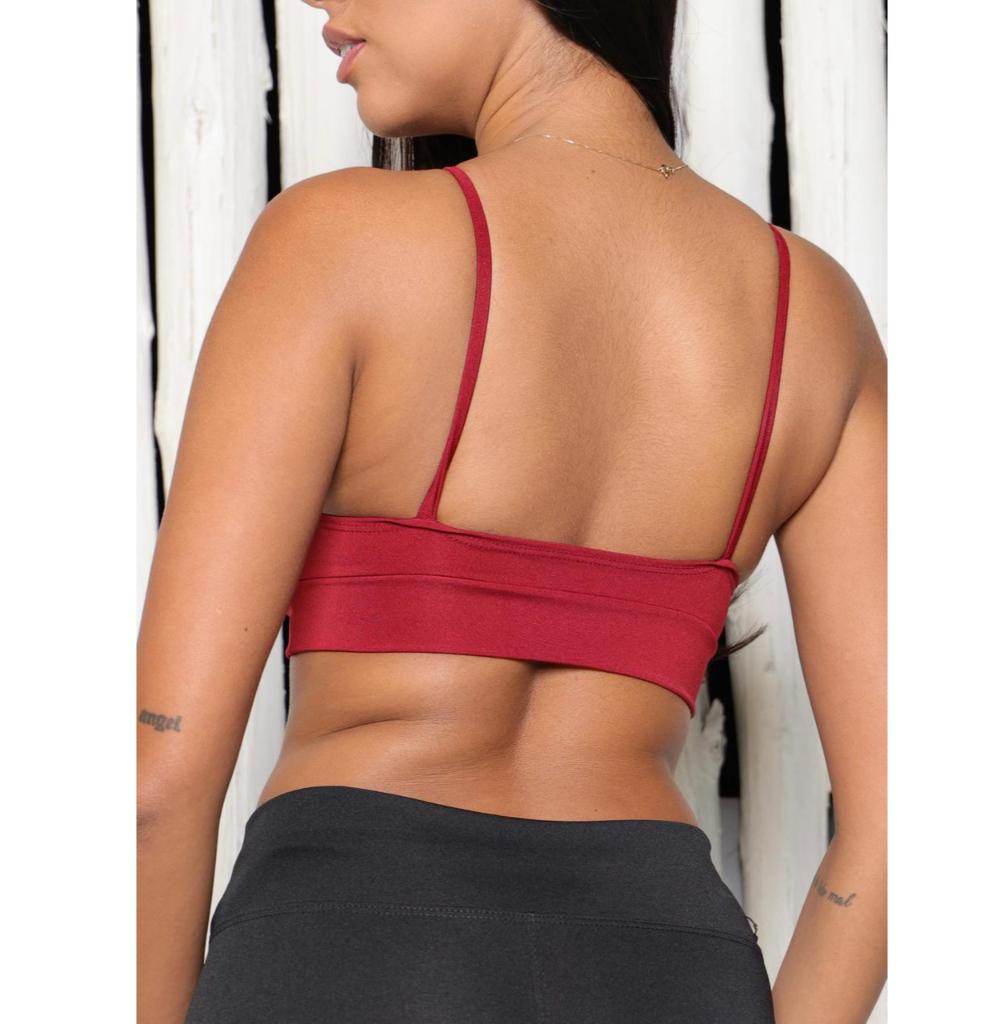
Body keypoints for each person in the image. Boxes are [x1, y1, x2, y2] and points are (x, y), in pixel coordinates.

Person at [137, 1, 887, 1021]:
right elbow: (894, 831)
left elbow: (161, 787)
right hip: (669, 968)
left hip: (351, 949)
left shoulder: (338, 243)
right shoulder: (818, 319)